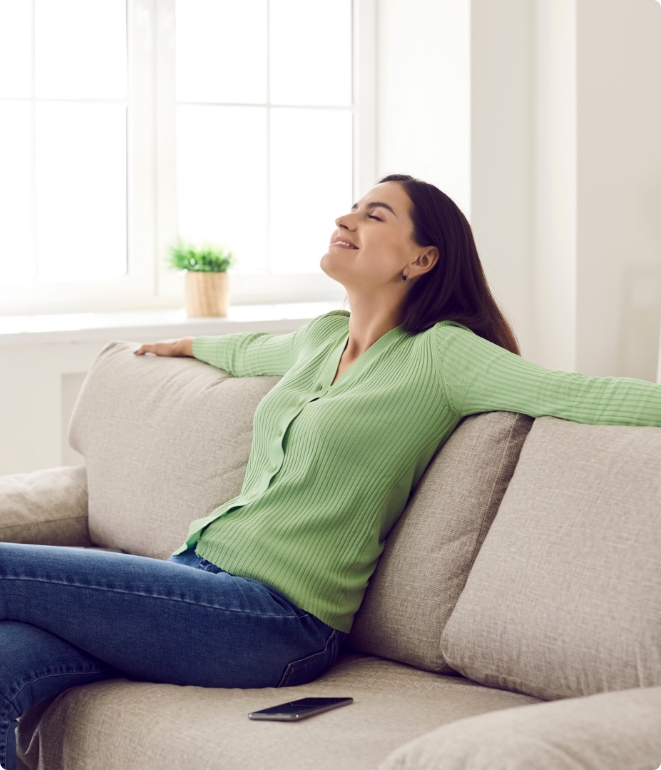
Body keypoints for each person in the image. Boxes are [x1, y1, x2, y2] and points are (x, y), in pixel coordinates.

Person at [1, 173, 661, 770]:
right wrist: (186, 346)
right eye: (349, 209)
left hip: (273, 619)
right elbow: (249, 349)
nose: (346, 221)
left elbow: (576, 394)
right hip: (193, 577)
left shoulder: (443, 356)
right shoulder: (321, 337)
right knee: (9, 660)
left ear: (421, 258)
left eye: (374, 216)